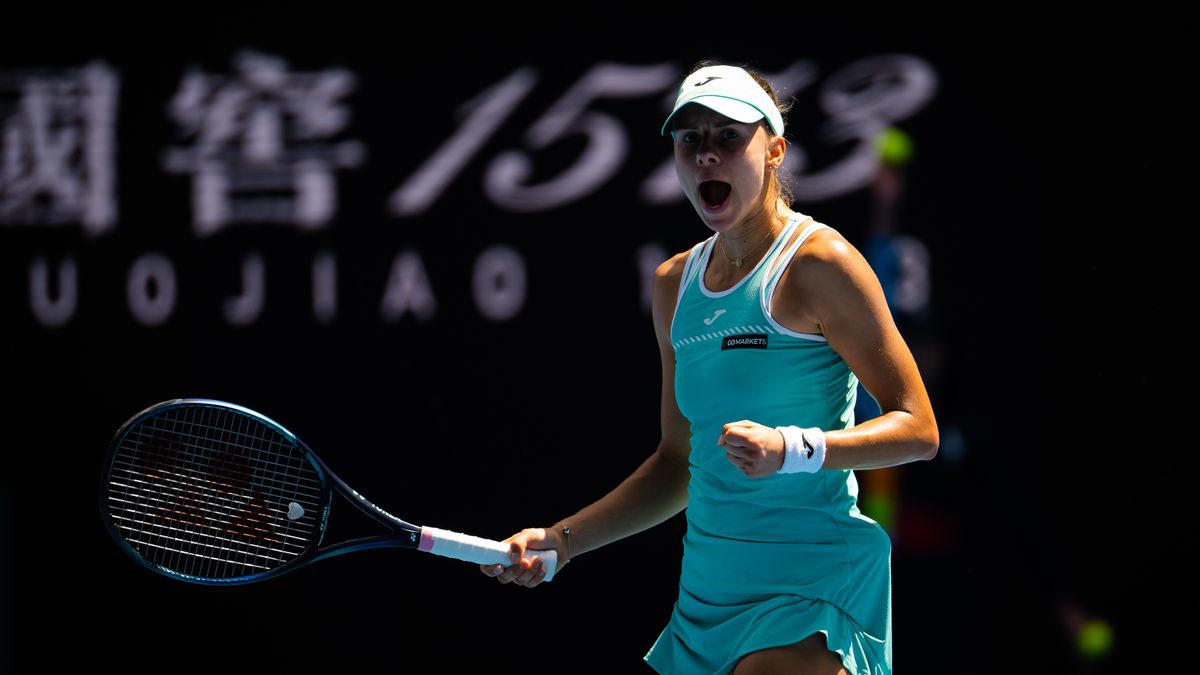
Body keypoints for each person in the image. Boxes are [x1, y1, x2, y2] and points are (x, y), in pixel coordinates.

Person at [480, 61, 939, 675]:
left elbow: (919, 429)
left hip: (810, 589)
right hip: (706, 601)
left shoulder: (821, 264)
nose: (706, 155)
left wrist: (792, 448)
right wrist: (562, 541)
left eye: (729, 136)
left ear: (774, 151)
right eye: (690, 138)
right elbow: (678, 463)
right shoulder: (674, 285)